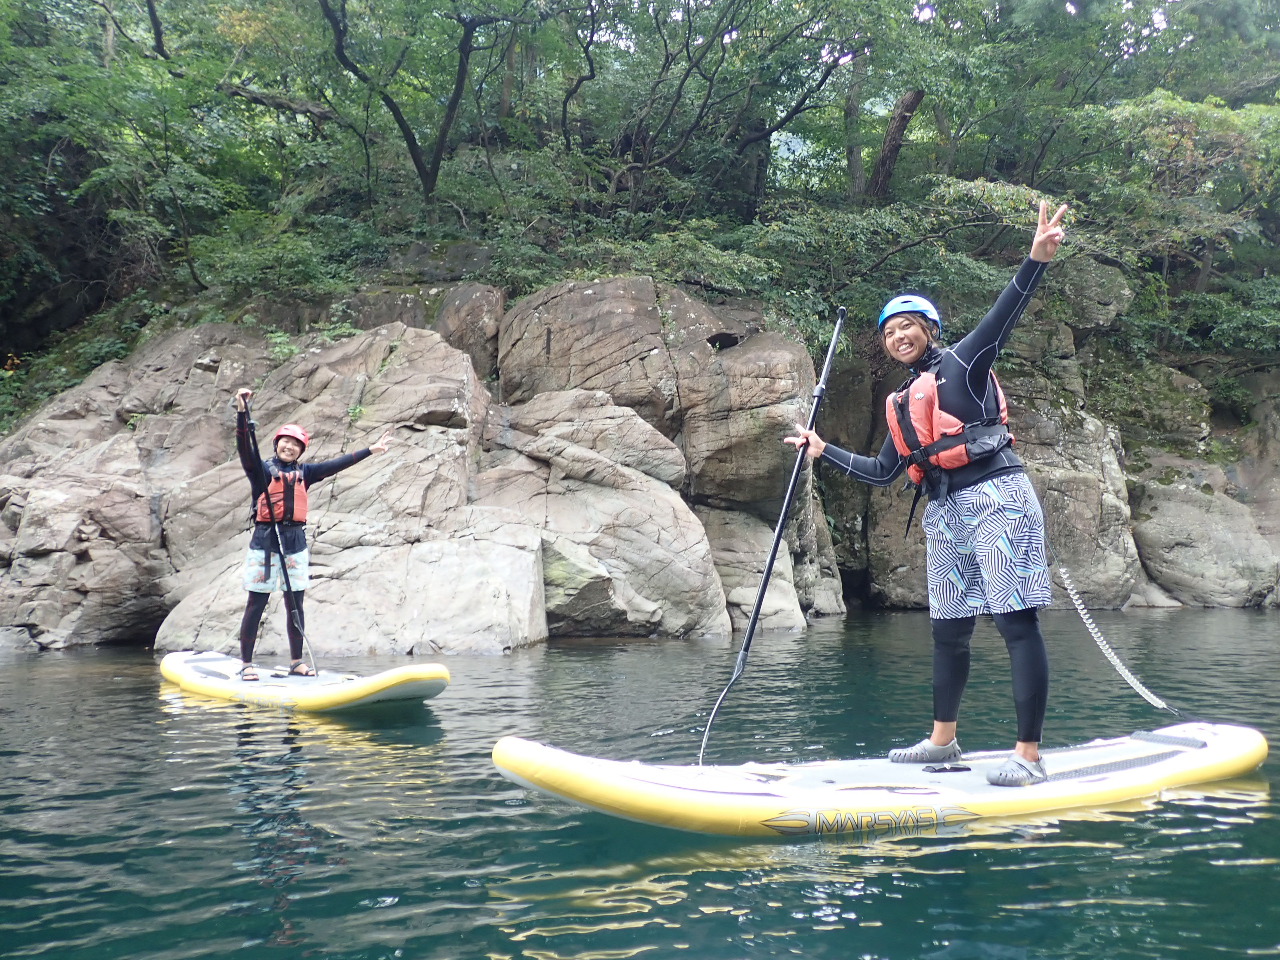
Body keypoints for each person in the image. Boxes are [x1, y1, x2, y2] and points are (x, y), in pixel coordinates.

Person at [786, 201, 1068, 787]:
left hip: (997, 498)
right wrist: (822, 449)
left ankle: (1029, 755)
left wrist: (1034, 260)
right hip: (944, 513)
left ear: (930, 330)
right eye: (889, 332)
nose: (897, 337)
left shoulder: (965, 362)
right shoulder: (900, 403)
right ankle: (943, 742)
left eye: (907, 325)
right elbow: (881, 471)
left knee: (1016, 624)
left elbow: (1004, 313)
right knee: (948, 630)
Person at [232, 387, 392, 681]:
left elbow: (335, 465)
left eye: (295, 444)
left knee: (296, 605)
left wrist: (371, 449)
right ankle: (246, 664)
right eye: (285, 442)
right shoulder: (262, 472)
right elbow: (246, 451)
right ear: (277, 445)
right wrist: (242, 413)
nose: (289, 447)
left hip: (295, 542)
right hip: (265, 543)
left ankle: (296, 662)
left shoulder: (306, 473)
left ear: (301, 450)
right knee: (257, 603)